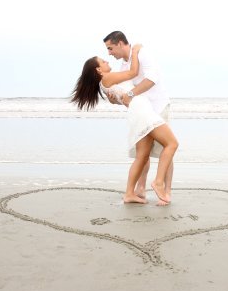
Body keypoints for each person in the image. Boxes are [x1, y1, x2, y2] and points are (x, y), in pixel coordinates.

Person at [70, 44, 178, 205]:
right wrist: (135, 51)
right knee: (172, 144)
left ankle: (129, 194)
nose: (107, 60)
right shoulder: (107, 78)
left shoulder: (106, 82)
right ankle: (158, 182)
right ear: (99, 70)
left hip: (137, 113)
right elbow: (133, 72)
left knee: (142, 157)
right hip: (143, 113)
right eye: (103, 61)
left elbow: (122, 96)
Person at [103, 31, 174, 205]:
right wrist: (115, 101)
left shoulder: (142, 53)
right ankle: (140, 189)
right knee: (143, 153)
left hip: (157, 106)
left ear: (120, 43)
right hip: (142, 112)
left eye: (110, 48)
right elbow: (125, 97)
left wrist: (130, 93)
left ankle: (166, 191)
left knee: (166, 149)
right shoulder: (123, 66)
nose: (109, 53)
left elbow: (151, 79)